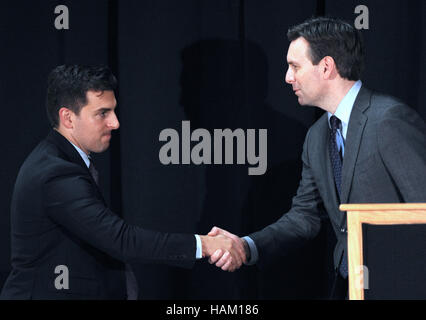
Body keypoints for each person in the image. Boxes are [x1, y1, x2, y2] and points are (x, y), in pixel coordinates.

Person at [208, 16, 426, 299]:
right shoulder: (317, 136)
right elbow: (304, 218)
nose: (288, 77)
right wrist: (247, 245)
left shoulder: (388, 120)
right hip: (349, 287)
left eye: (295, 66)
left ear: (326, 67)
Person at [0, 65, 244, 300]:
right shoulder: (56, 173)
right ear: (68, 118)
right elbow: (122, 240)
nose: (115, 123)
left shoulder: (60, 161)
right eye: (102, 113)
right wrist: (206, 244)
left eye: (113, 111)